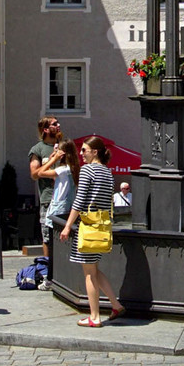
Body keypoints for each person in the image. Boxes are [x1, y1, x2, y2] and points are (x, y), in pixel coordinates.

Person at [61, 136, 124, 327]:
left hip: (88, 225)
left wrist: (67, 226)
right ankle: (115, 305)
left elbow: (79, 201)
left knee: (89, 273)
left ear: (94, 152)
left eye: (84, 150)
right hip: (102, 225)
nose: (80, 153)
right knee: (94, 269)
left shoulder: (88, 169)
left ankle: (94, 316)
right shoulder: (107, 171)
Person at [27, 116, 63, 255]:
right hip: (48, 198)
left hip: (65, 197)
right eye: (54, 124)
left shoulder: (63, 145)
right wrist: (53, 160)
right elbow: (34, 174)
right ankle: (48, 268)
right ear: (46, 129)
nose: (58, 125)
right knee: (48, 236)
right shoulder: (38, 149)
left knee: (66, 235)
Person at [42, 139, 78, 258]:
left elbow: (41, 173)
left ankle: (49, 267)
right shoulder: (74, 169)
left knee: (50, 240)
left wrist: (53, 159)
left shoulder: (62, 170)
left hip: (58, 207)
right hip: (69, 207)